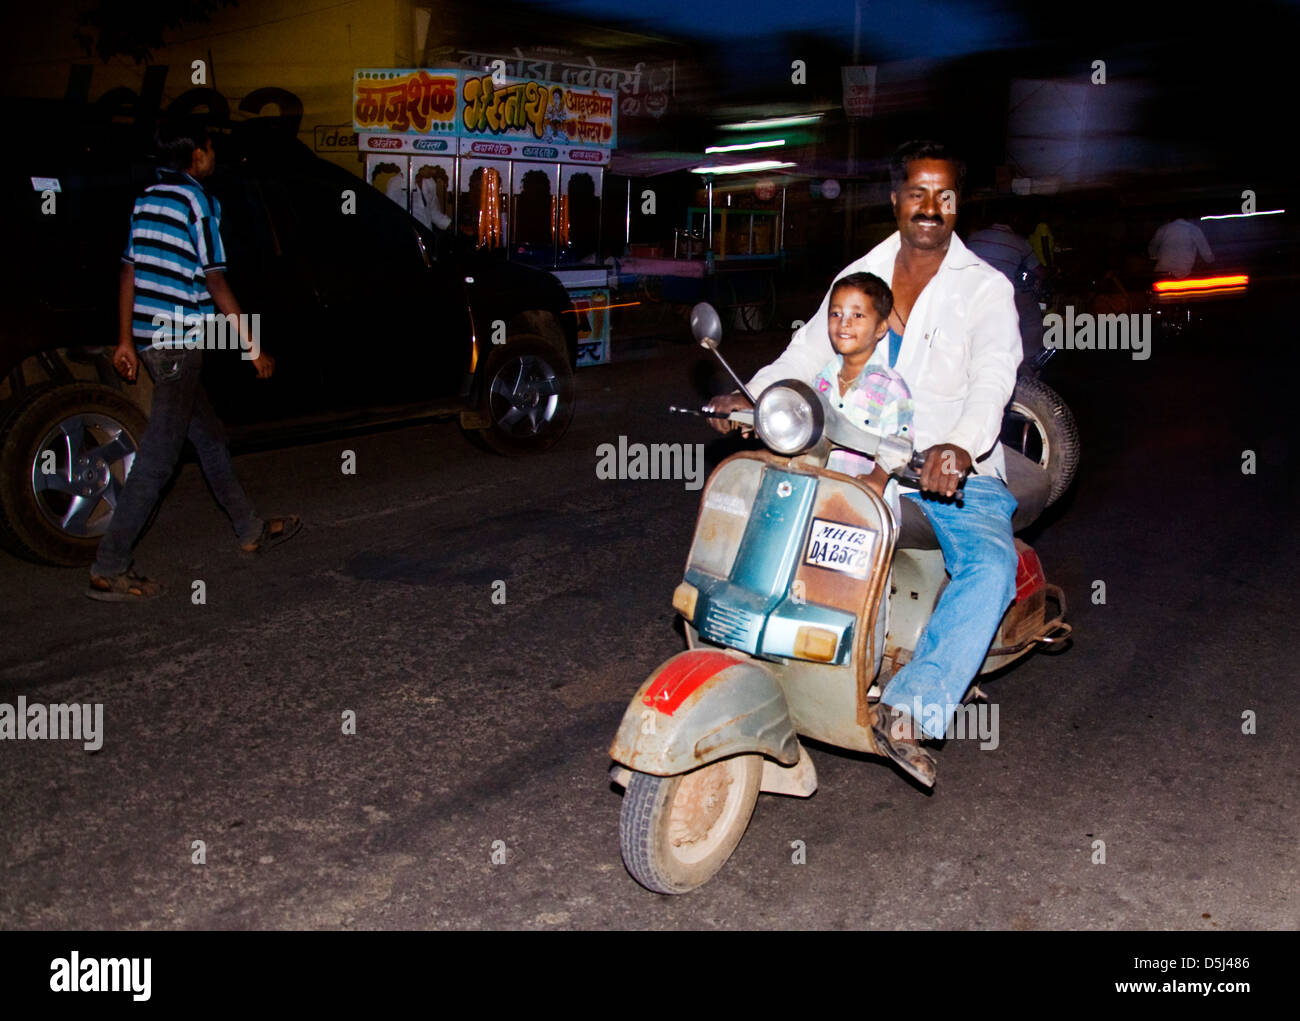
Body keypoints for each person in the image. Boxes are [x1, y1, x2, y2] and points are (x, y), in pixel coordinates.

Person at [708, 140, 1021, 788]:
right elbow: (803, 355)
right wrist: (753, 396)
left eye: (945, 195)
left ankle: (911, 709)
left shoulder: (985, 292)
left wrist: (959, 445)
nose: (929, 207)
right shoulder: (862, 274)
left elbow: (994, 381)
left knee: (992, 565)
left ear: (958, 204)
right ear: (895, 198)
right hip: (852, 450)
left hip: (946, 472)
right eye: (917, 192)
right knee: (769, 509)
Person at [89, 118, 300, 601]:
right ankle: (110, 564)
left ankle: (249, 528)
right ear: (198, 155)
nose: (213, 156)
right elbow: (215, 280)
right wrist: (253, 345)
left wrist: (124, 340)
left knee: (208, 435)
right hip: (181, 341)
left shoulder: (146, 198)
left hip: (150, 338)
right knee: (159, 460)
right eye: (209, 148)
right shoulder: (199, 203)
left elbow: (127, 271)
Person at [811, 271, 914, 516]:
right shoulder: (821, 380)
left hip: (867, 510)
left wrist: (878, 478)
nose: (844, 323)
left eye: (857, 315)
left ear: (880, 328)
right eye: (836, 314)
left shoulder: (891, 387)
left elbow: (900, 444)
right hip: (821, 500)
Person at [966, 208, 1045, 362]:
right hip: (1002, 294)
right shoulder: (1019, 242)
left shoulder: (974, 237)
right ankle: (1028, 362)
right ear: (1014, 221)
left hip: (972, 293)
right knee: (1032, 320)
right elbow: (1039, 271)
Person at [1148, 213, 1213, 279]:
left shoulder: (1164, 228)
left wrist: (1154, 256)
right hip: (1183, 271)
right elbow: (1205, 251)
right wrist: (1211, 262)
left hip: (1163, 270)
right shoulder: (1193, 229)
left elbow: (1153, 246)